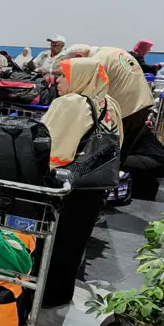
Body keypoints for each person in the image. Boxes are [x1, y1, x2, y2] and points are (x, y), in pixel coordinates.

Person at [41, 57, 123, 307]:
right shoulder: (110, 103)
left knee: (51, 239)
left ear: (80, 78)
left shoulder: (71, 104)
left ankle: (41, 294)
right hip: (95, 183)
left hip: (65, 184)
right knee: (75, 240)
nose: (58, 81)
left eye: (64, 76)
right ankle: (60, 293)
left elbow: (49, 144)